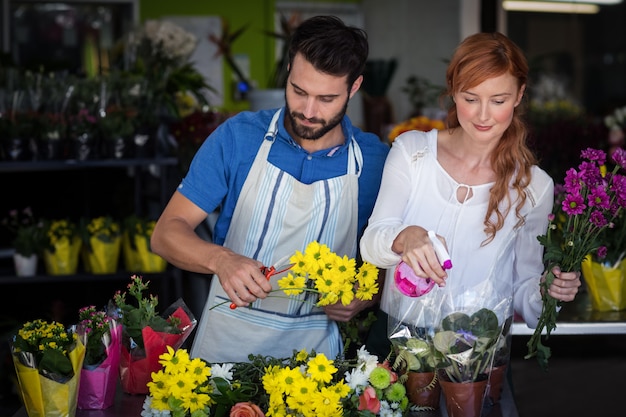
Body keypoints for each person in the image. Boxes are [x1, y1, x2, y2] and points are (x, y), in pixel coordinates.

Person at [150, 15, 389, 363]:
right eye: (299, 91)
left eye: (326, 98)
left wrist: (367, 295)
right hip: (223, 354)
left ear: (353, 88)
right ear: (289, 69)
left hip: (317, 366)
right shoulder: (239, 138)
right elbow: (166, 234)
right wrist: (221, 260)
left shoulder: (374, 162)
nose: (308, 111)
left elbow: (393, 261)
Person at [359, 32, 581, 359]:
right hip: (394, 344)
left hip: (478, 357)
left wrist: (549, 293)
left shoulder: (534, 186)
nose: (482, 115)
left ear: (519, 96)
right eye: (470, 97)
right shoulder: (413, 152)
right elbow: (371, 245)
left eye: (498, 100)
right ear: (452, 90)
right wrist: (405, 237)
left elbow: (524, 291)